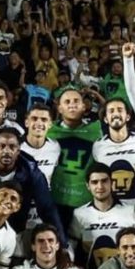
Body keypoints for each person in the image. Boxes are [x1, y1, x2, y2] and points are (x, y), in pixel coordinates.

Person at [0, 127, 65, 245]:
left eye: (12, 147)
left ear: (18, 151)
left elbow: (47, 208)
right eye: (2, 146)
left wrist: (62, 244)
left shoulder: (31, 170)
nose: (7, 151)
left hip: (14, 230)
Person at [47, 87, 103, 228]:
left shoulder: (96, 130)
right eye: (67, 102)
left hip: (85, 202)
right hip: (55, 201)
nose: (72, 104)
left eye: (76, 101)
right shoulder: (49, 131)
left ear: (84, 106)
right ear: (59, 108)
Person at [70, 163, 135, 269]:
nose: (100, 186)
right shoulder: (79, 214)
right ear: (88, 186)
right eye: (94, 182)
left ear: (111, 182)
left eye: (104, 181)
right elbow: (71, 245)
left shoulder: (130, 211)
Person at [91, 98, 135, 207]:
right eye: (111, 111)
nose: (116, 114)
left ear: (128, 116)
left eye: (120, 110)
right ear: (105, 119)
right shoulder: (98, 146)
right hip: (111, 209)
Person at [20, 103, 60, 185]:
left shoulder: (55, 146)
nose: (39, 123)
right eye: (34, 119)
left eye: (44, 119)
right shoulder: (16, 147)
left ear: (50, 124)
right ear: (26, 123)